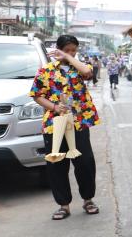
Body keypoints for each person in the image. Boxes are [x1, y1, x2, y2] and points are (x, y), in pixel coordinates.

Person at [29, 34, 101, 220]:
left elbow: (88, 72)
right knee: (57, 164)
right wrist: (54, 107)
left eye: (73, 51)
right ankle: (63, 205)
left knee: (85, 162)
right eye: (66, 50)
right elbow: (37, 95)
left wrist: (68, 57)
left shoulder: (79, 68)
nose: (71, 53)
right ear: (58, 49)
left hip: (79, 121)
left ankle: (88, 200)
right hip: (55, 123)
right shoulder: (46, 71)